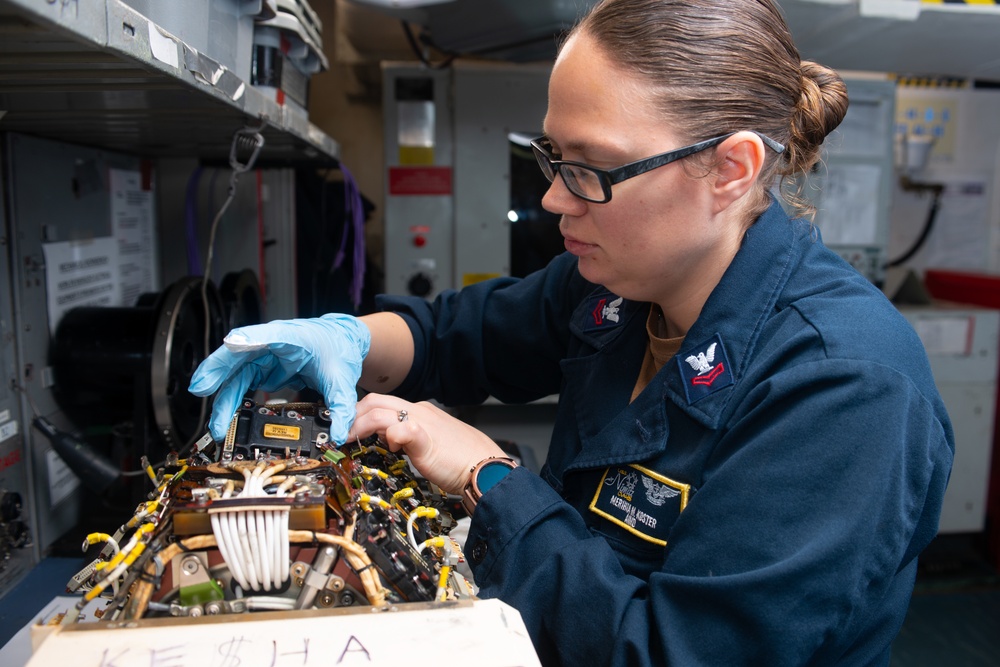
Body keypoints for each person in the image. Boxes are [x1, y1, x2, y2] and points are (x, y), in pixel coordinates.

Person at [190, 0, 954, 664]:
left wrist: (487, 478)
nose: (556, 197)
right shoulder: (620, 283)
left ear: (729, 169)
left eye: (591, 168)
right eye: (551, 156)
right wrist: (346, 338)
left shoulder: (846, 388)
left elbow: (669, 651)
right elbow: (460, 334)